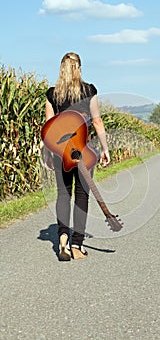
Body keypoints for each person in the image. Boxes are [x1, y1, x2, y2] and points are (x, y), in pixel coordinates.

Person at [44, 52, 110, 261]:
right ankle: (77, 245)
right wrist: (105, 149)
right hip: (84, 151)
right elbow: (97, 122)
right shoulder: (89, 90)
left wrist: (47, 152)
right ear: (79, 68)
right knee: (82, 195)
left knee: (64, 194)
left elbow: (49, 128)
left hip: (60, 153)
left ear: (61, 69)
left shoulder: (52, 94)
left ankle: (62, 238)